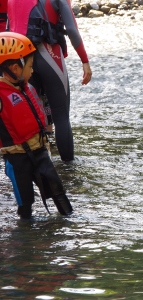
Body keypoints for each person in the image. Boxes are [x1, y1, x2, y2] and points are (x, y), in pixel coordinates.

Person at [8, 0, 93, 162]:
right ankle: (68, 170)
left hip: (20, 60)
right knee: (61, 116)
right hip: (50, 54)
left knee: (30, 116)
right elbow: (72, 30)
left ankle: (35, 168)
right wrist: (84, 60)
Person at [0, 32, 73, 219]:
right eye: (30, 67)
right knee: (25, 204)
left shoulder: (27, 87)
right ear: (15, 69)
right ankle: (25, 240)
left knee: (58, 192)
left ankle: (70, 220)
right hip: (17, 159)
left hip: (39, 151)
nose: (32, 71)